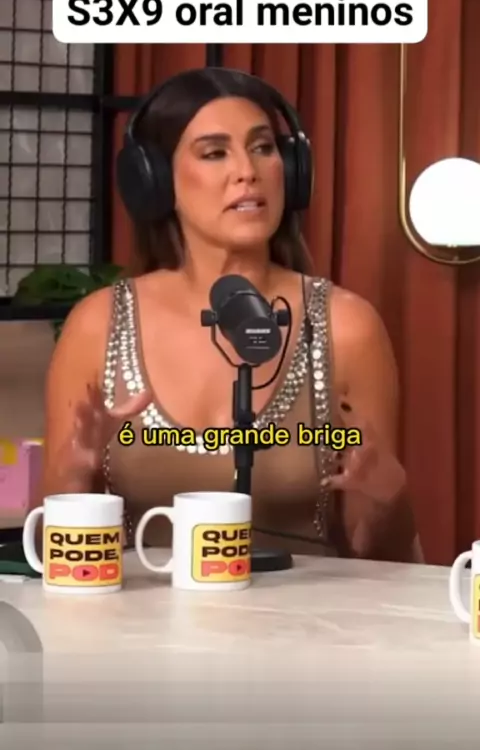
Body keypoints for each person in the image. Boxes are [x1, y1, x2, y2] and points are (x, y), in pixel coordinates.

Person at [34, 67, 422, 563]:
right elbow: (51, 556)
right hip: (141, 611)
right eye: (215, 153)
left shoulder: (347, 328)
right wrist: (73, 476)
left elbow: (383, 562)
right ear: (154, 180)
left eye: (263, 147)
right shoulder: (98, 325)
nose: (247, 171)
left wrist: (390, 499)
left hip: (308, 611)